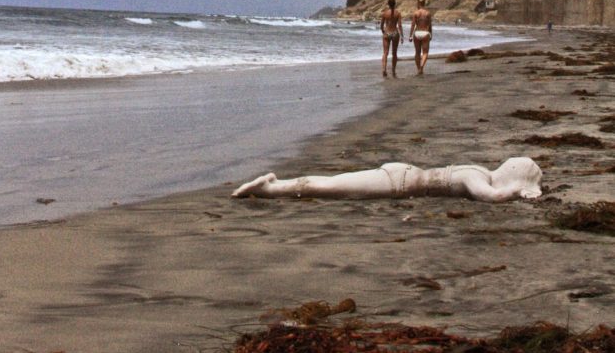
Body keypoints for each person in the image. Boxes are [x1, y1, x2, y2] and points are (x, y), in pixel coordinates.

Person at [232, 156, 542, 204]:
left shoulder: (480, 170)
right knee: (331, 186)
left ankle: (275, 185)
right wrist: (517, 191)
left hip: (402, 175)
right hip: (397, 183)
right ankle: (271, 188)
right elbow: (488, 197)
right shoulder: (478, 177)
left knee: (334, 182)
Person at [379, 0, 403, 78]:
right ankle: (393, 70)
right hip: (395, 33)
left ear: (388, 4)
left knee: (385, 53)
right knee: (394, 53)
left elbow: (381, 25)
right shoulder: (398, 13)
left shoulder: (385, 13)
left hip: (387, 33)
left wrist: (383, 31)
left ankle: (384, 69)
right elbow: (399, 25)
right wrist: (402, 36)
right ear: (395, 4)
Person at [409, 0, 432, 74]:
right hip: (425, 33)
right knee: (425, 52)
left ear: (419, 3)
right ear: (424, 3)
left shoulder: (416, 13)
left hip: (417, 33)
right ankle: (421, 67)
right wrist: (431, 34)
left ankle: (418, 68)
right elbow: (430, 25)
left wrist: (410, 36)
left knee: (417, 53)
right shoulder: (428, 13)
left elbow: (413, 25)